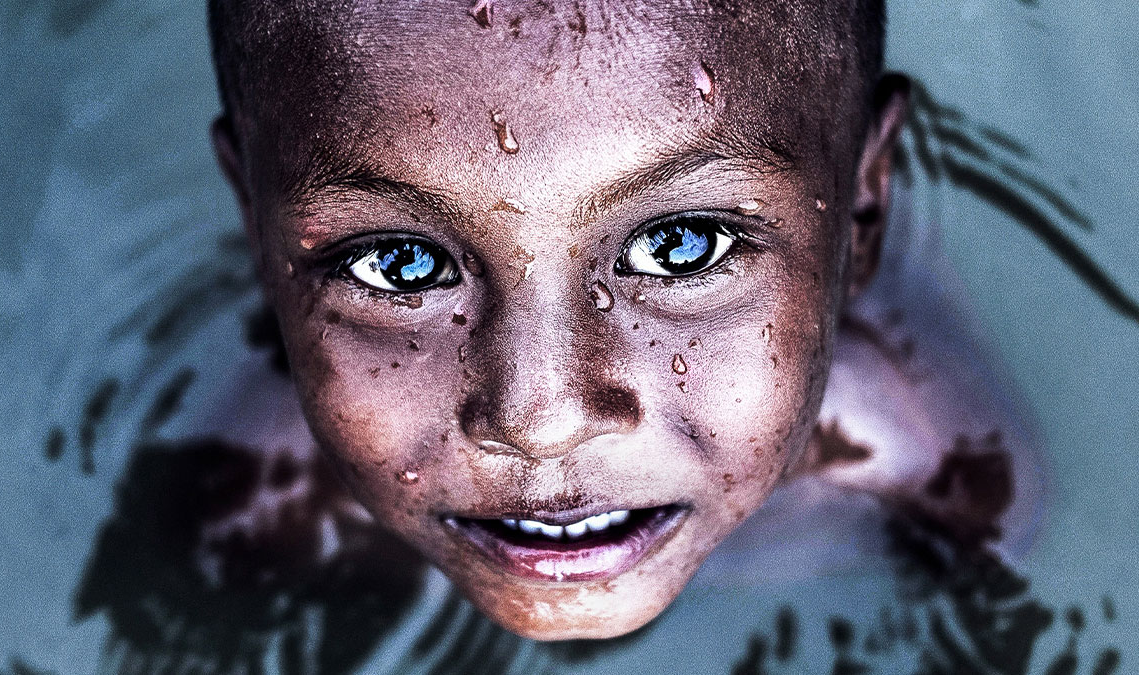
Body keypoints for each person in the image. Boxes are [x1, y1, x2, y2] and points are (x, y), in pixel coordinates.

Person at [198, 0, 1040, 641]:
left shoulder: (932, 466)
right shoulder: (265, 498)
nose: (540, 421)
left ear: (860, 208)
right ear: (253, 220)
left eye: (681, 247)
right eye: (400, 263)